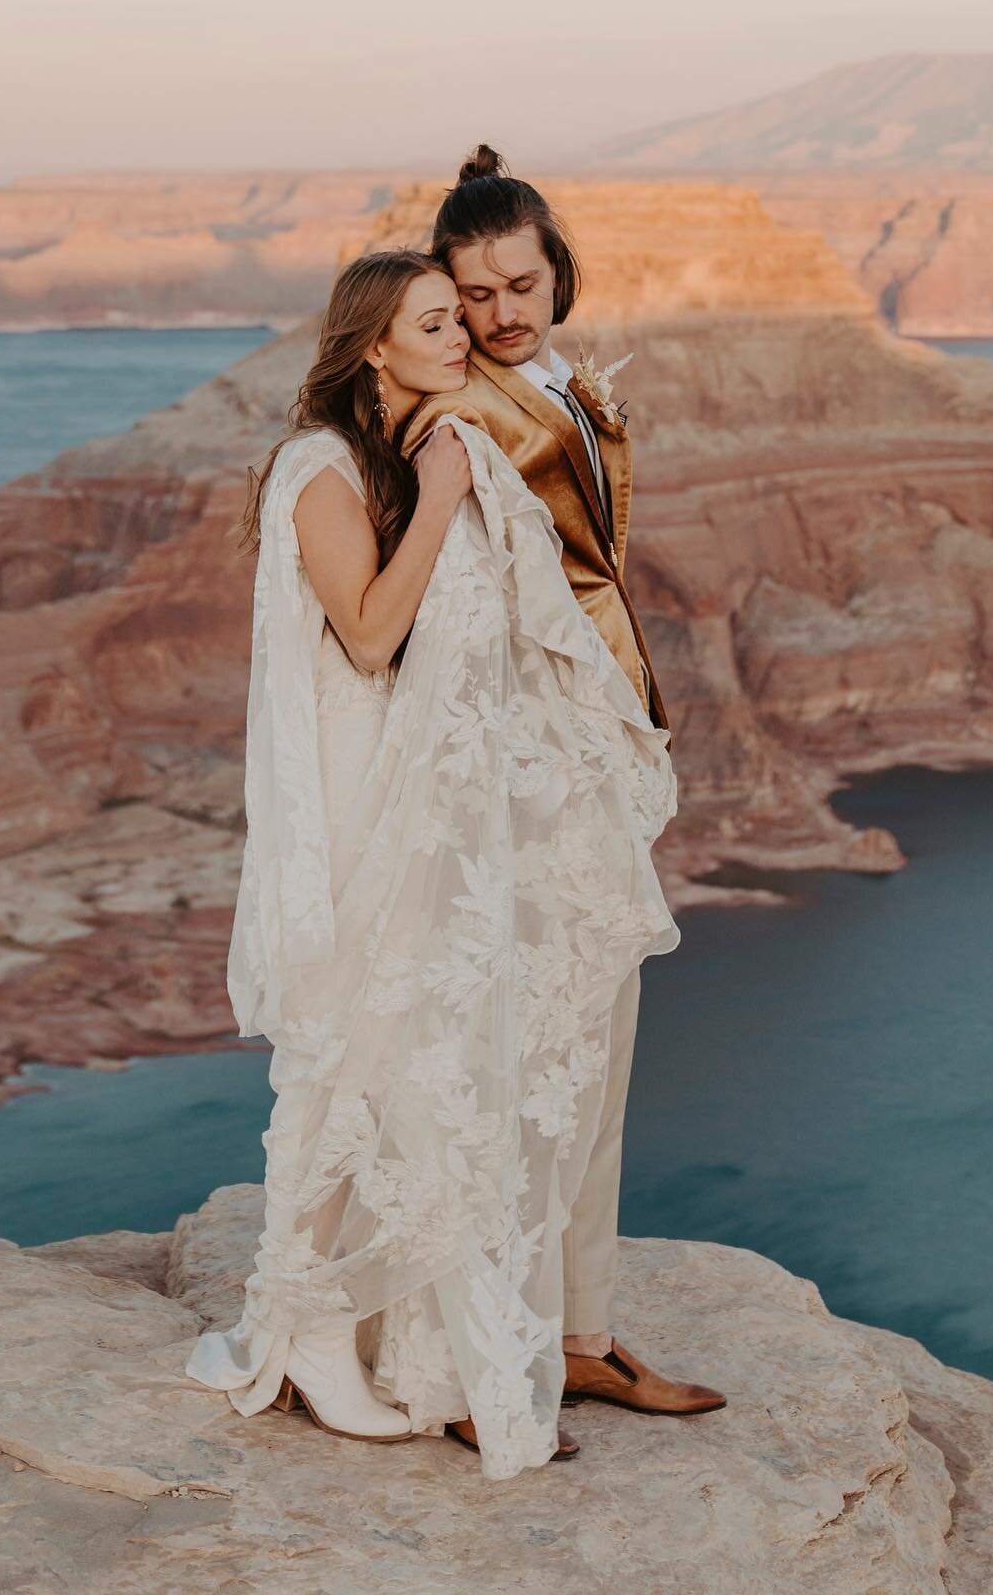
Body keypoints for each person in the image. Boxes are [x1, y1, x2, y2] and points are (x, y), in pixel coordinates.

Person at [184, 246, 682, 1479]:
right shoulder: (321, 467)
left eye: (460, 317)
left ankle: (353, 1332)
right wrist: (451, 493)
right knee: (354, 1053)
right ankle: (299, 1330)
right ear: (371, 346)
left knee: (407, 1064)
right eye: (433, 323)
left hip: (423, 797)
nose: (462, 335)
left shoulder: (405, 452)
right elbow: (364, 635)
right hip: (363, 803)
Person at [399, 147, 727, 1423]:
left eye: (519, 281)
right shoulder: (461, 412)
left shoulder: (553, 387)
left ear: (559, 271)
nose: (500, 314)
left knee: (602, 1053)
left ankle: (582, 1331)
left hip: (597, 755)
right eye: (473, 294)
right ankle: (490, 1349)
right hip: (521, 780)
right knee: (523, 1062)